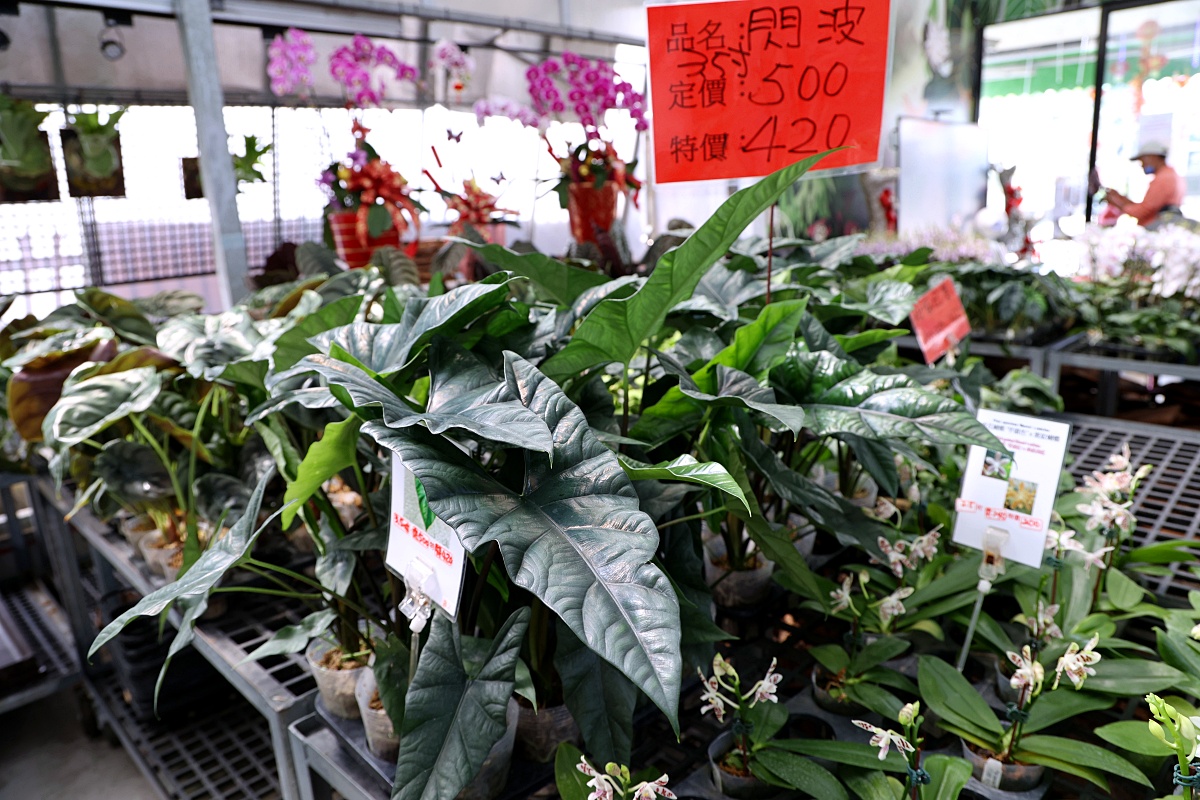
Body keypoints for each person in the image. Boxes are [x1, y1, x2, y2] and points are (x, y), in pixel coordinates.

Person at [1103, 142, 1186, 229]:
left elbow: (1143, 212)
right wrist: (1121, 199)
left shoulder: (1163, 179)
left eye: (1142, 161)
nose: (1142, 165)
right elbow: (1150, 207)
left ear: (1152, 157)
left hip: (1156, 229)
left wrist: (1116, 203)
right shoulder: (1171, 174)